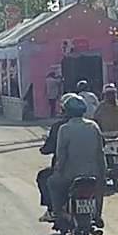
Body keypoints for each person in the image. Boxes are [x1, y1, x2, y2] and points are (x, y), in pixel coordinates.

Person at [49, 94, 107, 225]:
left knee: (52, 182)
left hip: (71, 175)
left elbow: (61, 155)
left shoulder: (64, 129)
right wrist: (103, 173)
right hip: (93, 173)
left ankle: (59, 213)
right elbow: (100, 152)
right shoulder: (93, 126)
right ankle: (98, 215)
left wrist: (58, 171)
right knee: (99, 188)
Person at [37, 93, 77, 222]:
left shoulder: (59, 127)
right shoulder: (92, 126)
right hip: (90, 172)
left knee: (44, 177)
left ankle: (52, 210)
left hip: (65, 172)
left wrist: (44, 147)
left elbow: (48, 148)